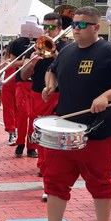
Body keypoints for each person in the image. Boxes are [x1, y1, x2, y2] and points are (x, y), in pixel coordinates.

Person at [26, 7, 111, 221]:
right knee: (55, 182)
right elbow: (52, 70)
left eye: (82, 25)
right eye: (74, 25)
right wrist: (50, 86)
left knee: (100, 181)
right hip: (66, 129)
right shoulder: (66, 51)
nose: (76, 29)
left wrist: (106, 96)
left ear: (96, 27)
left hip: (98, 130)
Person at [21, 12, 69, 196]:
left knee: (53, 138)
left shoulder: (66, 48)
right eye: (46, 27)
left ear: (60, 29)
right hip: (37, 95)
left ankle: (51, 177)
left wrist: (55, 54)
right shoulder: (37, 47)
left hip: (57, 96)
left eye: (52, 27)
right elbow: (24, 76)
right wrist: (32, 62)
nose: (48, 31)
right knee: (39, 136)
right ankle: (43, 166)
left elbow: (66, 73)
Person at [6, 24, 39, 158]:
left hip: (36, 83)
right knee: (22, 114)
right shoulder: (17, 42)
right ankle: (20, 143)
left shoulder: (42, 41)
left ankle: (31, 147)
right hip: (22, 82)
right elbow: (12, 63)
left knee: (34, 116)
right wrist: (27, 62)